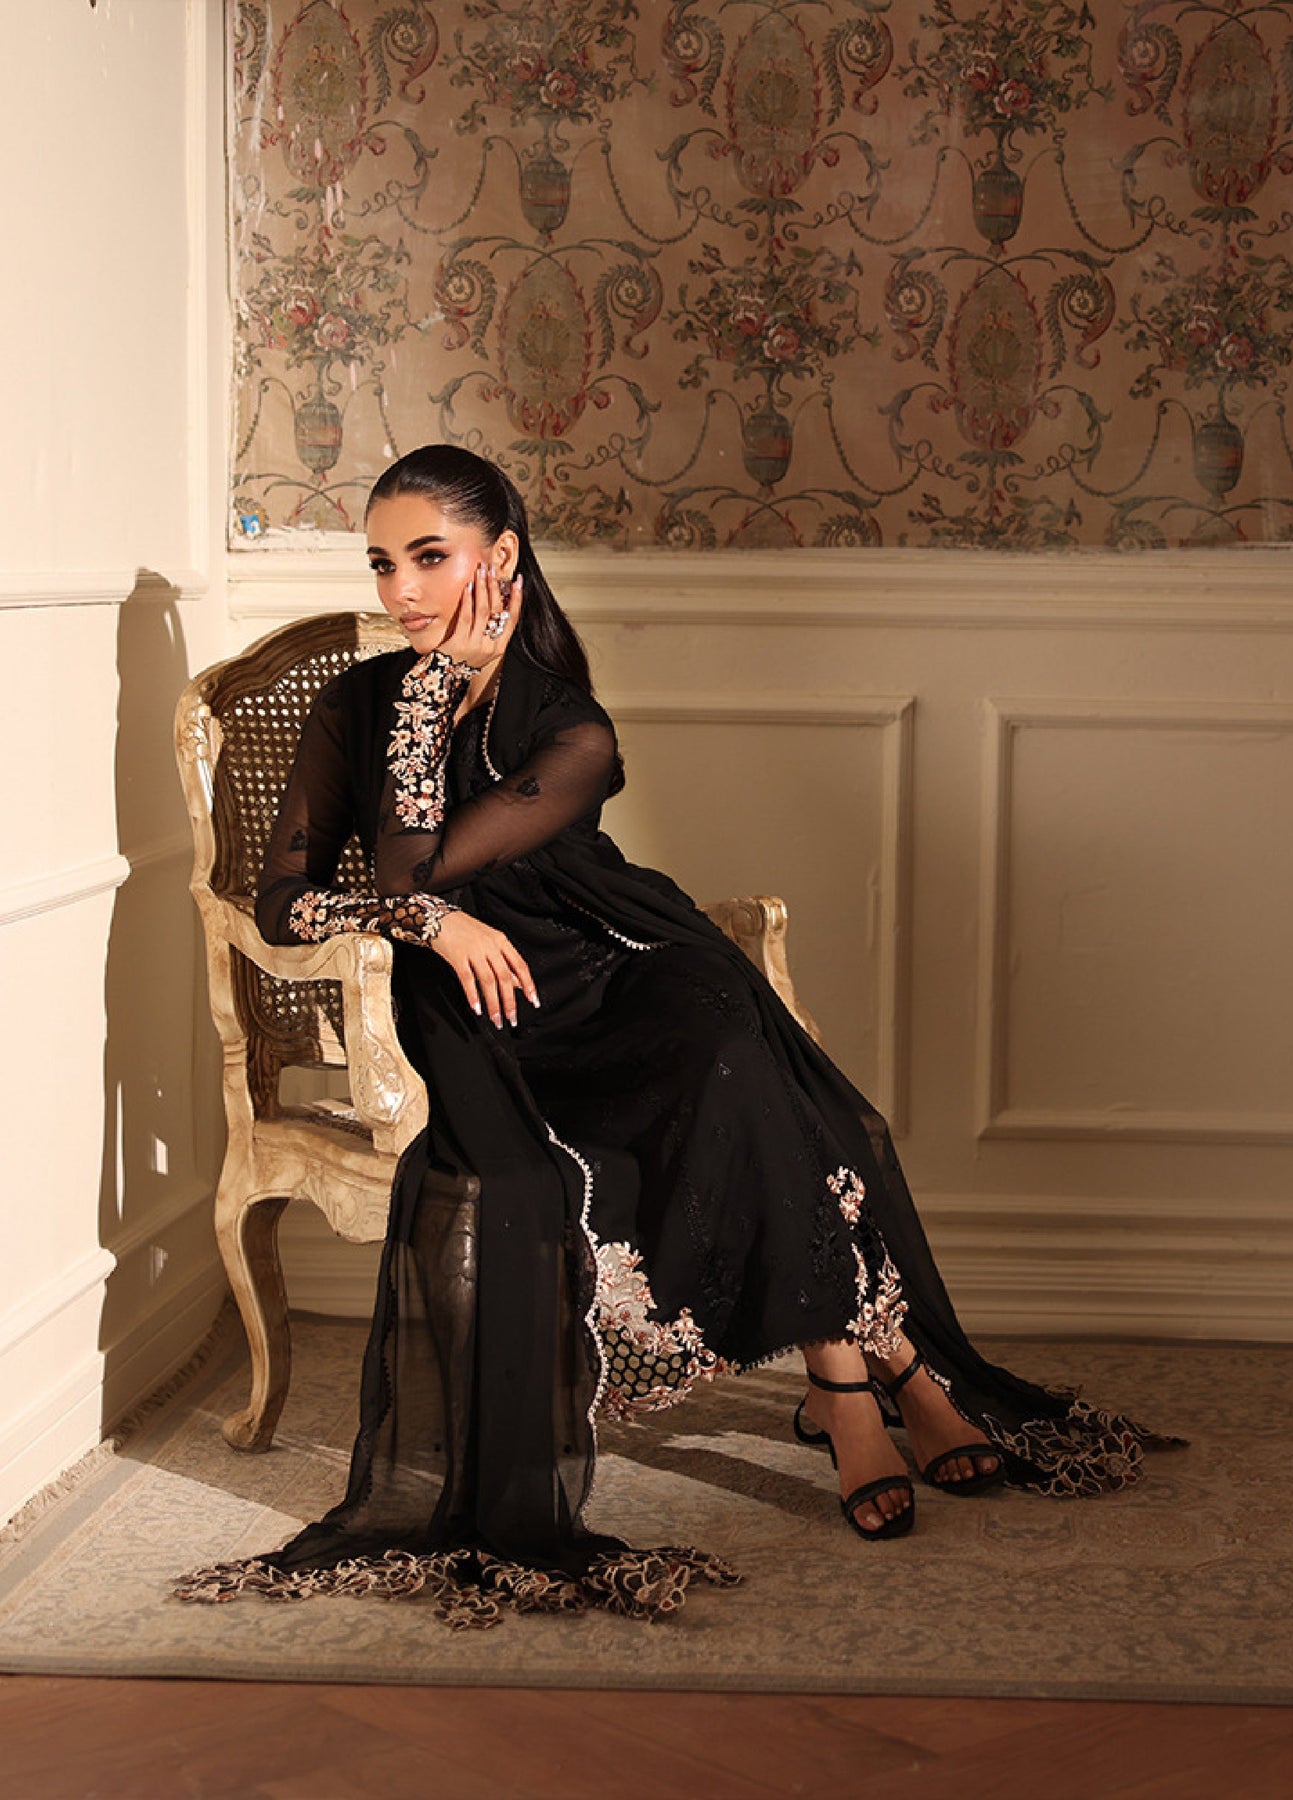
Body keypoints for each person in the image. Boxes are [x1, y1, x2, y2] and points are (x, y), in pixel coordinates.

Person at [176, 446, 1177, 1627]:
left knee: (733, 1048)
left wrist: (435, 836)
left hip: (616, 958)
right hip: (477, 1000)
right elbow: (306, 898)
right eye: (384, 563)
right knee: (589, 1138)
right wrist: (433, 906)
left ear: (501, 559)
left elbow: (436, 861)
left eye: (429, 558)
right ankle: (878, 1370)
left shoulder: (572, 726)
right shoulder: (363, 704)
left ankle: (846, 1375)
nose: (401, 591)